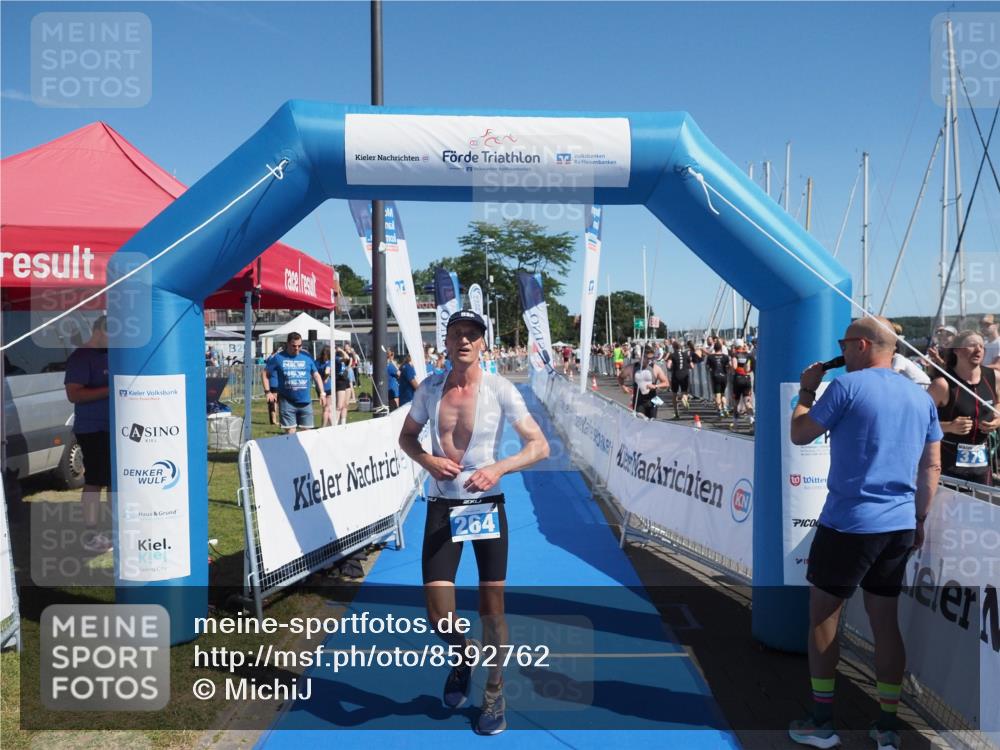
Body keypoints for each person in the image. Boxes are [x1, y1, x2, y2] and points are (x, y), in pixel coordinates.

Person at [788, 316, 942, 750]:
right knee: (885, 622)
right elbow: (931, 466)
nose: (841, 351)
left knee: (823, 617)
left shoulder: (845, 387)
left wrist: (806, 392)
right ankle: (888, 726)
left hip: (849, 523)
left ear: (861, 345)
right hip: (899, 524)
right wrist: (919, 519)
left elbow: (800, 434)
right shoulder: (921, 397)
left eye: (844, 343)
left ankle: (822, 721)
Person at [398, 309, 549, 736]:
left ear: (483, 343)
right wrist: (427, 460)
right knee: (438, 615)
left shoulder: (501, 389)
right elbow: (406, 437)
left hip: (485, 507)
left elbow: (538, 446)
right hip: (442, 506)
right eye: (457, 333)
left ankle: (495, 690)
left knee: (491, 610)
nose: (464, 340)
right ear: (445, 342)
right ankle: (464, 653)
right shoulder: (430, 389)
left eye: (472, 334)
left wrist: (499, 468)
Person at [64, 316, 112, 554]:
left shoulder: (110, 354)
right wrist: (111, 389)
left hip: (114, 427)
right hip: (92, 429)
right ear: (100, 331)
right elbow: (74, 394)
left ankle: (115, 530)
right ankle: (91, 534)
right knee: (95, 480)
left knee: (114, 481)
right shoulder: (81, 357)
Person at [927, 330, 999, 486]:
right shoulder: (942, 384)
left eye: (982, 346)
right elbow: (918, 422)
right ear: (957, 350)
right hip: (947, 463)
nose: (978, 350)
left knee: (983, 501)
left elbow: (998, 403)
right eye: (972, 345)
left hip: (981, 463)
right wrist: (949, 426)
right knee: (950, 502)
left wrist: (997, 419)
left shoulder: (994, 377)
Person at [264, 332, 327, 434]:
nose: (297, 348)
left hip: (305, 402)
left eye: (299, 345)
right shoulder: (278, 357)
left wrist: (322, 393)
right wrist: (267, 392)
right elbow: (265, 373)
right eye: (294, 346)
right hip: (287, 402)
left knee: (307, 433)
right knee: (290, 433)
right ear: (288, 344)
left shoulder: (307, 357)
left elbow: (316, 375)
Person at [619, 344, 669, 419]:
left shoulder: (655, 368)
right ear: (641, 356)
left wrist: (656, 386)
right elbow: (620, 377)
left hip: (652, 401)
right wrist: (623, 387)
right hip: (638, 402)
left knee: (652, 424)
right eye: (648, 358)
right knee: (640, 423)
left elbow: (666, 383)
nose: (650, 361)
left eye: (652, 358)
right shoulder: (631, 368)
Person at [665, 340, 693, 419]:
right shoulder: (686, 354)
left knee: (674, 394)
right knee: (684, 392)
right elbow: (692, 366)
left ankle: (676, 413)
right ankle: (684, 400)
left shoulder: (672, 355)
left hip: (676, 375)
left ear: (673, 347)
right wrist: (686, 366)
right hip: (684, 375)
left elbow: (668, 366)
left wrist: (670, 368)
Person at [730, 340, 755, 425]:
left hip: (738, 379)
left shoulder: (735, 354)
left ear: (735, 346)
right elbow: (750, 368)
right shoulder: (748, 355)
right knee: (747, 401)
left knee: (736, 402)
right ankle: (752, 419)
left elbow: (734, 366)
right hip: (747, 379)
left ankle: (735, 421)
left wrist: (730, 367)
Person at [705, 341, 731, 417]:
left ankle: (720, 411)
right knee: (723, 393)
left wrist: (710, 369)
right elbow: (729, 366)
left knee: (717, 394)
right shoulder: (725, 356)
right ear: (721, 348)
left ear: (714, 348)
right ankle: (725, 408)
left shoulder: (710, 357)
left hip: (715, 376)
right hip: (724, 376)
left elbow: (707, 367)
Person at [317, 345, 334, 427]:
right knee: (326, 409)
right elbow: (327, 372)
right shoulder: (326, 362)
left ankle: (330, 427)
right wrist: (325, 377)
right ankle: (325, 427)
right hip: (323, 387)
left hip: (325, 387)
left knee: (327, 409)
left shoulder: (318, 362)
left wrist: (326, 376)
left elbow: (327, 372)